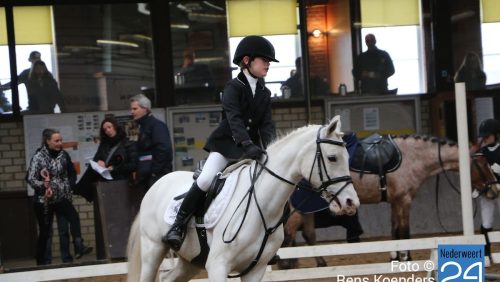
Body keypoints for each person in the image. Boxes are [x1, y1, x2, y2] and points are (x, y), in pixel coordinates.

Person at [163, 35, 277, 251]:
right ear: (246, 61)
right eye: (264, 60)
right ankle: (177, 226)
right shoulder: (233, 88)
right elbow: (234, 120)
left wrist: (270, 149)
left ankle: (263, 238)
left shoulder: (264, 92)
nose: (268, 64)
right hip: (227, 146)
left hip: (251, 150)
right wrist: (247, 144)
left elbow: (267, 126)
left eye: (268, 61)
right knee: (205, 180)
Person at [26, 128, 92, 265]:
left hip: (61, 197)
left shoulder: (64, 155)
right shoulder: (38, 157)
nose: (60, 143)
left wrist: (70, 185)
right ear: (48, 141)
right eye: (56, 141)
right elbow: (30, 178)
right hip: (43, 200)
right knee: (45, 232)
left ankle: (78, 245)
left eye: (61, 140)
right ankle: (42, 261)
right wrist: (44, 186)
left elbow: (72, 172)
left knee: (73, 216)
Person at [74, 117, 138, 202]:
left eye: (109, 127)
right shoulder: (104, 144)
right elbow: (96, 160)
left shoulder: (128, 143)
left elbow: (134, 165)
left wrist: (114, 168)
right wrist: (99, 162)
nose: (107, 130)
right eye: (105, 129)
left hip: (122, 183)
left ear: (115, 127)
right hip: (105, 184)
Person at [129, 94, 173, 190]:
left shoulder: (157, 126)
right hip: (146, 177)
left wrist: (154, 172)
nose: (132, 112)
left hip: (156, 178)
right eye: (131, 109)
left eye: (135, 109)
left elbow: (164, 149)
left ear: (145, 109)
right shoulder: (142, 127)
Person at [475, 118, 500, 258]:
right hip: (487, 192)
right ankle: (486, 252)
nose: (485, 139)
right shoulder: (482, 152)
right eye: (483, 137)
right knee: (486, 221)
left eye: (487, 136)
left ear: (496, 135)